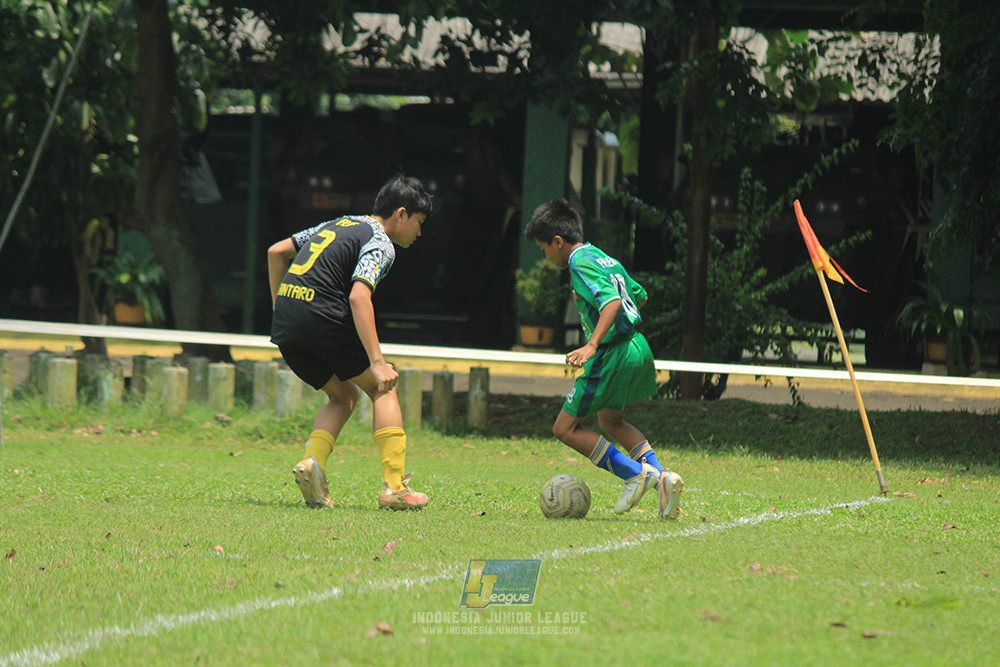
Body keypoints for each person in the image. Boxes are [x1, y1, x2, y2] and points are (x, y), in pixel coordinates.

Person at [267, 175, 432, 511]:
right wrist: (377, 361)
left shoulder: (340, 222)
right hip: (322, 315)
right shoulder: (381, 242)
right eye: (419, 222)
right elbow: (359, 296)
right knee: (382, 387)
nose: (419, 232)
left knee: (343, 395)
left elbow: (277, 251)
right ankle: (396, 489)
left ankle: (312, 464)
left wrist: (280, 308)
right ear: (401, 214)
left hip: (287, 319)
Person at [524, 198, 683, 520]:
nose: (546, 256)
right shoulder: (602, 256)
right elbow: (640, 295)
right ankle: (662, 477)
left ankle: (634, 474)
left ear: (558, 242)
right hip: (636, 345)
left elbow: (610, 302)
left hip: (612, 351)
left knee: (564, 428)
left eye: (544, 249)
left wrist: (592, 344)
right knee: (611, 421)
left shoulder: (578, 262)